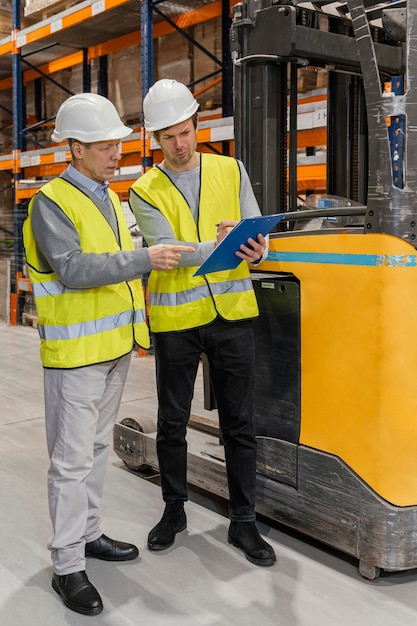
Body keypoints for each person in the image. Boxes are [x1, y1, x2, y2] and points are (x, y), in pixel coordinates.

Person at [22, 92, 194, 616]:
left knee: (96, 453)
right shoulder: (50, 201)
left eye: (118, 144)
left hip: (115, 348)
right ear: (74, 149)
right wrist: (144, 258)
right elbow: (73, 269)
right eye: (104, 146)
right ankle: (68, 565)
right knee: (71, 463)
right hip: (75, 357)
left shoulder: (111, 198)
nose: (116, 153)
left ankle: (89, 535)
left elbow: (127, 261)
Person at [129, 79, 276, 567]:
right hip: (177, 320)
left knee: (240, 424)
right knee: (172, 423)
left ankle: (244, 522)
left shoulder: (230, 169)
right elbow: (167, 253)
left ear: (198, 124)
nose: (180, 143)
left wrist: (257, 248)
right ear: (155, 139)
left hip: (231, 313)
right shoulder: (143, 190)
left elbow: (256, 230)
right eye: (168, 136)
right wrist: (222, 247)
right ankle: (175, 510)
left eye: (186, 131)